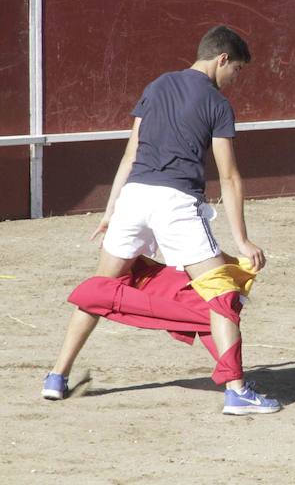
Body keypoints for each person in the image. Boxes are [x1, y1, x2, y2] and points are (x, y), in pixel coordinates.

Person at [41, 25, 280, 415]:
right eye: (237, 70)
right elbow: (230, 176)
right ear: (221, 59)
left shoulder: (156, 86)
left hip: (134, 199)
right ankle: (236, 391)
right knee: (223, 295)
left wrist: (111, 212)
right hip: (176, 204)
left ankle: (56, 375)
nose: (235, 80)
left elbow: (130, 155)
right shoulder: (217, 104)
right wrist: (242, 240)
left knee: (102, 286)